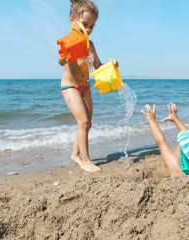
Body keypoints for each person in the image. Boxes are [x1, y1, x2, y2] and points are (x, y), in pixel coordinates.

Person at [58, 0, 118, 172]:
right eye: (85, 24)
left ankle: (75, 154)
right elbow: (60, 60)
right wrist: (66, 56)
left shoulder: (90, 45)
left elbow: (98, 66)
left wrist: (111, 65)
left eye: (92, 26)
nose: (89, 29)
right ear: (72, 20)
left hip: (85, 87)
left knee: (87, 123)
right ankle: (85, 161)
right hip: (70, 87)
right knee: (83, 121)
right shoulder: (69, 42)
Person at [141, 102, 189, 176]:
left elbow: (161, 143)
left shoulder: (178, 169)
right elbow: (188, 135)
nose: (179, 144)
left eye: (182, 144)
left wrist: (151, 120)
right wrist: (175, 118)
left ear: (184, 155)